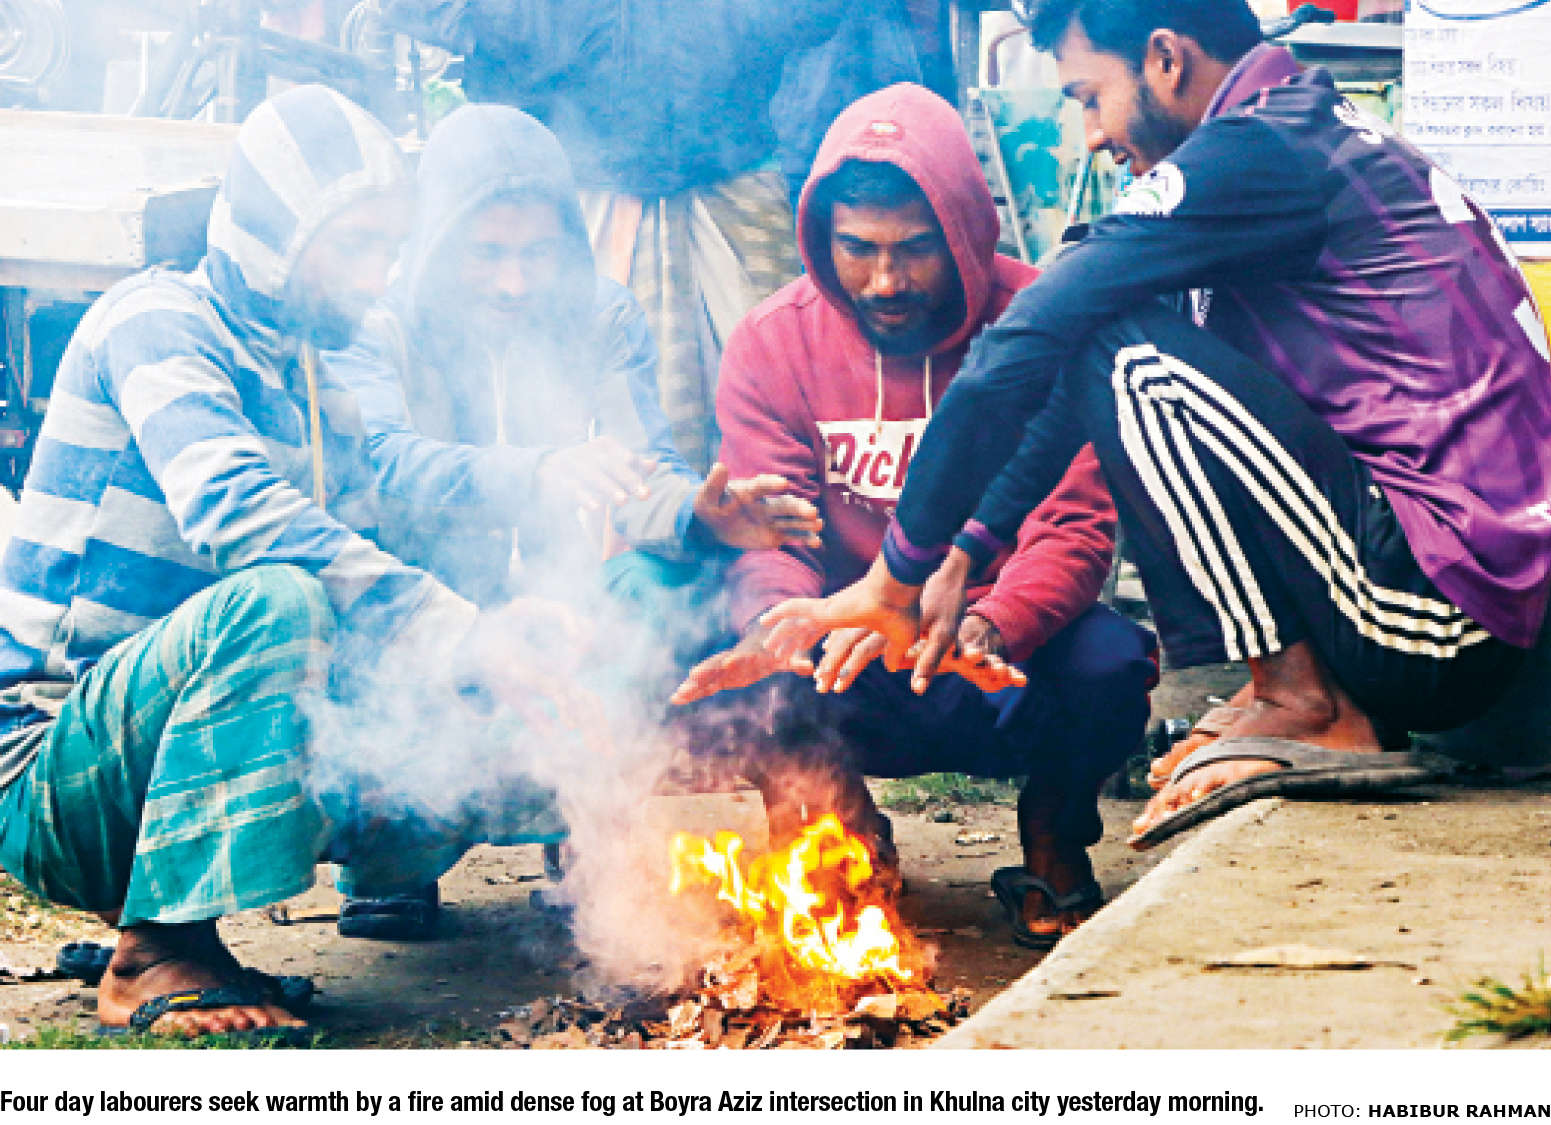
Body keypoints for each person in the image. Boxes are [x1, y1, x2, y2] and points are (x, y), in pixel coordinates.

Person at [753, 0, 1551, 852]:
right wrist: (963, 551)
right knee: (1114, 329)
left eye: (1089, 96)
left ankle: (1301, 698)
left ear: (1166, 60)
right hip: (1471, 615)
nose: (1092, 133)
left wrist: (894, 575)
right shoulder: (1299, 136)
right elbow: (1069, 385)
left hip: (1444, 622)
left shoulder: (1255, 152)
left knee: (1116, 343)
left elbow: (1026, 345)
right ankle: (1296, 686)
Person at [0, 86, 560, 1037]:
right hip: (51, 767)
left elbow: (382, 583)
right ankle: (153, 951)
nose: (378, 276)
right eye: (355, 246)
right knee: (281, 599)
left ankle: (433, 874)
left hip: (165, 757)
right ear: (276, 237)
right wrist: (455, 627)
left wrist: (514, 657)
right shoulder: (156, 318)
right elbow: (234, 509)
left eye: (389, 248)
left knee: (478, 683)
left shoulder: (321, 380)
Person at [672, 85, 1157, 949]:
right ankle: (838, 831)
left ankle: (1052, 835)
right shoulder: (771, 341)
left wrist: (988, 625)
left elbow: (1072, 526)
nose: (885, 281)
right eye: (856, 249)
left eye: (914, 249)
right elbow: (771, 532)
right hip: (846, 659)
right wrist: (783, 627)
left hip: (991, 654)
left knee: (1111, 662)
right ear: (820, 239)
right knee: (741, 650)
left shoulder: (1042, 322)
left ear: (964, 232)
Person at [324, 103, 821, 937]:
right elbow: (382, 460)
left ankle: (585, 830)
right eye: (486, 253)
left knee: (665, 584)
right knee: (377, 667)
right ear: (437, 239)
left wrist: (699, 514)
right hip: (416, 614)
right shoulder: (379, 323)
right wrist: (536, 470)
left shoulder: (601, 315)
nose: (514, 282)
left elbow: (641, 470)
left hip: (558, 613)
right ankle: (391, 857)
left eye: (536, 253)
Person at [376, 0, 856, 475]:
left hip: (730, 170)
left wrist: (735, 29)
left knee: (779, 409)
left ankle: (738, 525)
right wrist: (523, 25)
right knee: (549, 416)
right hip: (554, 182)